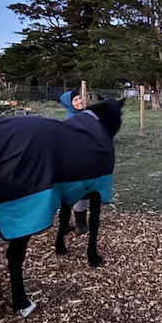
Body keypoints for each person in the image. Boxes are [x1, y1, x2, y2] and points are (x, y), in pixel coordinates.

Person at [58, 89, 89, 235]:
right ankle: (81, 225)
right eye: (75, 100)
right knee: (80, 189)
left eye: (80, 98)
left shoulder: (81, 115)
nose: (80, 101)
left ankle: (65, 225)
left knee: (70, 191)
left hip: (76, 159)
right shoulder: (72, 119)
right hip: (77, 160)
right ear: (69, 104)